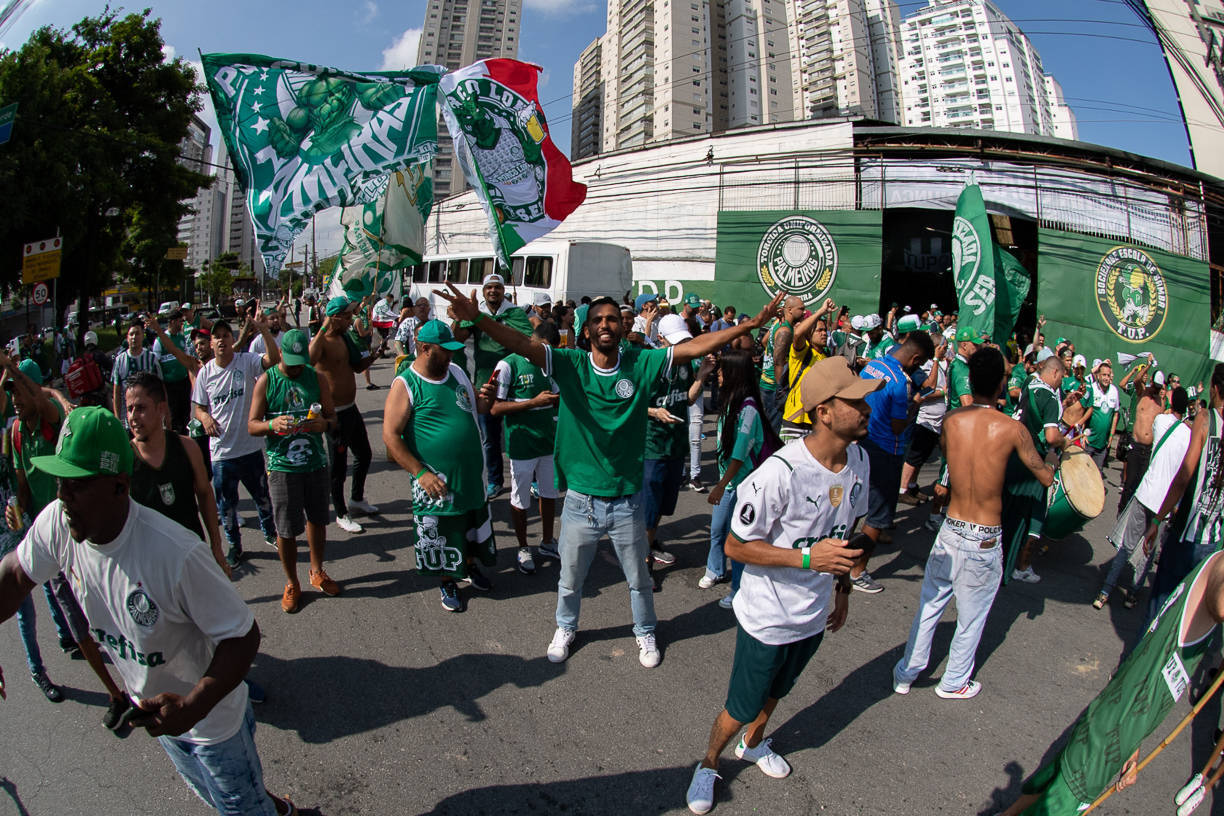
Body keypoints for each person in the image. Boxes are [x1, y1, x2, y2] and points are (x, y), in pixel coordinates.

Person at [436, 282, 783, 668]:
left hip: (626, 501)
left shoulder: (641, 362)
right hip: (581, 502)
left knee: (638, 579)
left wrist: (751, 324)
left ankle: (645, 631)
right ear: (586, 331)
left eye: (613, 319)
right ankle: (565, 627)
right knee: (569, 580)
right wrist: (479, 319)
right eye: (598, 319)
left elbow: (694, 348)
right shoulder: (571, 365)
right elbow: (521, 344)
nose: (605, 324)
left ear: (622, 326)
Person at [0, 406, 295, 816]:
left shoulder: (176, 554)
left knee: (240, 808)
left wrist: (193, 706)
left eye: (77, 484)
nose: (62, 496)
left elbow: (244, 636)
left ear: (120, 485)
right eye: (59, 481)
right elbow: (13, 578)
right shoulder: (59, 524)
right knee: (220, 799)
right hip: (160, 717)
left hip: (212, 725)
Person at [685, 356, 874, 815]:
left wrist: (843, 589)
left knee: (778, 692)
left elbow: (849, 534)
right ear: (823, 411)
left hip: (811, 615)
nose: (867, 408)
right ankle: (708, 762)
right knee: (740, 704)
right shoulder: (779, 472)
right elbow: (735, 546)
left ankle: (754, 742)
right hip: (768, 617)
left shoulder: (861, 459)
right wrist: (808, 557)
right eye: (855, 401)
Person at [999, 548, 1224, 816]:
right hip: (1107, 735)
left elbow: (1146, 670)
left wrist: (1133, 746)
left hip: (1119, 721)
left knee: (1055, 784)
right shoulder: (1220, 567)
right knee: (1062, 800)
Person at [893, 348, 1054, 700]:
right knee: (972, 617)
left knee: (930, 605)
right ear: (1000, 384)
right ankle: (952, 682)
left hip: (951, 527)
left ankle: (906, 672)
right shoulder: (1013, 428)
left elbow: (952, 457)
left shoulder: (951, 420)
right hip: (983, 535)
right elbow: (1043, 477)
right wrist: (1053, 463)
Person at [1, 352, 130, 726]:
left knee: (110, 611)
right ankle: (115, 694)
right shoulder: (14, 432)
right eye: (10, 393)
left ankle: (139, 678)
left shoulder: (53, 421)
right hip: (49, 539)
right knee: (77, 624)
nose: (15, 399)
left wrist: (15, 369)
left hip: (84, 532)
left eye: (19, 390)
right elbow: (23, 484)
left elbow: (45, 399)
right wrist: (19, 514)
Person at [382, 319, 497, 613]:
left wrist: (487, 399)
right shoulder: (406, 383)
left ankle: (469, 567)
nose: (449, 356)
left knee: (469, 524)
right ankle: (447, 580)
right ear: (424, 348)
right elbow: (391, 437)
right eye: (443, 351)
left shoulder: (456, 371)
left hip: (471, 475)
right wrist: (420, 473)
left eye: (452, 350)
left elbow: (478, 407)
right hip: (436, 481)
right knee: (444, 530)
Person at [249, 329, 340, 614]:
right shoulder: (267, 381)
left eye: (301, 361)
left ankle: (317, 571)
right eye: (292, 362)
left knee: (318, 520)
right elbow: (252, 425)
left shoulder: (317, 378)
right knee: (286, 529)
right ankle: (291, 582)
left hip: (314, 462)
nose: (298, 367)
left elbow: (332, 417)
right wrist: (271, 426)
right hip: (282, 466)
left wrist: (323, 425)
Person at [192, 317, 281, 568]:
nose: (222, 340)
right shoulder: (205, 373)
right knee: (226, 507)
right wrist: (205, 416)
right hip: (221, 454)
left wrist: (263, 330)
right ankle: (235, 546)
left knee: (262, 498)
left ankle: (270, 533)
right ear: (211, 343)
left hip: (250, 448)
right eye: (217, 336)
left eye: (226, 335)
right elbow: (197, 407)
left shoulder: (246, 362)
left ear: (233, 340)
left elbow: (273, 360)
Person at [852, 330, 935, 593]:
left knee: (852, 506)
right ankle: (858, 571)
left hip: (862, 443)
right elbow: (899, 426)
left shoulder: (874, 364)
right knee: (878, 515)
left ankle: (836, 561)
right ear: (916, 358)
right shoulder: (901, 383)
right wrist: (916, 404)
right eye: (920, 364)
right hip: (887, 450)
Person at [126, 372, 230, 579]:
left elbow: (205, 494)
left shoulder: (187, 447)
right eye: (129, 409)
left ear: (161, 408)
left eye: (141, 408)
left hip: (193, 558)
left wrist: (216, 549)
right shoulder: (125, 461)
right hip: (152, 571)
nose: (133, 417)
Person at [1094, 386, 1189, 611]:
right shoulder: (1189, 435)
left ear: (1171, 403)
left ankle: (1105, 591)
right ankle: (1132, 594)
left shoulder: (1161, 422)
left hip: (1145, 493)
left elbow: (1158, 419)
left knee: (1127, 545)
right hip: (1164, 503)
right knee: (1148, 551)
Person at [1143, 363, 1224, 618]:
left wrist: (1157, 519)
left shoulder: (1206, 419)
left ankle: (1142, 656)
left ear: (1215, 388)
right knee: (1187, 616)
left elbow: (1184, 477)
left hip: (1186, 535)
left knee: (1160, 609)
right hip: (1213, 540)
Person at [701, 349, 779, 605]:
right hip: (728, 483)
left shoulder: (748, 409)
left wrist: (720, 486)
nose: (719, 375)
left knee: (738, 539)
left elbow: (739, 455)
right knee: (717, 530)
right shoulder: (730, 401)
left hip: (742, 486)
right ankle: (715, 569)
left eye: (723, 370)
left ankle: (738, 591)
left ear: (735, 373)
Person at [452, 273, 534, 500]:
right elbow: (457, 338)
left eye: (497, 287)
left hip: (516, 384)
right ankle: (495, 481)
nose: (493, 291)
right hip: (485, 384)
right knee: (490, 438)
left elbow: (528, 341)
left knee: (522, 433)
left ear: (503, 290)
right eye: (489, 287)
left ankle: (532, 480)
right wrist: (459, 318)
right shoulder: (475, 313)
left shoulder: (515, 313)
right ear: (483, 291)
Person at [644, 314, 716, 571]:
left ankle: (649, 545)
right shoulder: (649, 362)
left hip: (675, 445)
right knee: (649, 509)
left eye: (684, 340)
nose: (681, 346)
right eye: (675, 341)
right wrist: (654, 412)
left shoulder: (685, 363)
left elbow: (686, 398)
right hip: (652, 446)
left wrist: (702, 375)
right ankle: (643, 566)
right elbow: (632, 402)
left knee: (663, 504)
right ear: (660, 339)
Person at [490, 322, 560, 575]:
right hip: (522, 444)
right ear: (533, 340)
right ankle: (522, 547)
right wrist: (533, 402)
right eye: (543, 348)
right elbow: (495, 408)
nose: (545, 355)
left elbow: (555, 399)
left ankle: (548, 541)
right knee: (521, 498)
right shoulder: (508, 364)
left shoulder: (549, 362)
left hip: (548, 441)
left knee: (550, 493)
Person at [309, 296, 379, 534]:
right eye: (347, 316)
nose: (351, 320)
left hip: (351, 408)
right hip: (334, 415)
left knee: (364, 454)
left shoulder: (344, 337)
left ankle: (356, 499)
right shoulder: (322, 341)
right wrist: (323, 326)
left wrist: (373, 356)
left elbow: (358, 367)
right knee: (337, 468)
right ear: (334, 317)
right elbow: (309, 359)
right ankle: (340, 513)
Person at [1004, 355, 1076, 584]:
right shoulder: (1051, 398)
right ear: (1055, 373)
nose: (1061, 383)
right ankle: (1019, 567)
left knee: (1005, 510)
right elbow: (1051, 436)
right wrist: (1065, 443)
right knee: (1034, 516)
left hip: (1012, 454)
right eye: (1062, 377)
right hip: (1033, 460)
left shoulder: (1029, 384)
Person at [899, 331, 948, 505]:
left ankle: (912, 485)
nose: (947, 350)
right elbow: (926, 390)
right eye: (944, 347)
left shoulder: (940, 364)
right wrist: (944, 391)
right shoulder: (926, 365)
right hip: (924, 419)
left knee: (922, 457)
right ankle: (903, 489)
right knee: (914, 456)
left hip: (935, 421)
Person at [778, 299, 835, 442]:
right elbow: (797, 334)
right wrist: (821, 311)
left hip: (815, 424)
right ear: (810, 334)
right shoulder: (802, 353)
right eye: (819, 330)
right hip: (794, 423)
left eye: (825, 330)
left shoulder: (826, 356)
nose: (824, 334)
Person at [112, 320, 162, 427]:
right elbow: (116, 391)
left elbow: (160, 387)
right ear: (127, 338)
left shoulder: (151, 358)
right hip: (128, 418)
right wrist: (117, 418)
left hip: (149, 415)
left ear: (143, 336)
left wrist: (163, 413)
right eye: (131, 334)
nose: (134, 337)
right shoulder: (119, 361)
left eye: (137, 333)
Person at [153, 310, 194, 433]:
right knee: (173, 415)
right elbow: (156, 363)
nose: (181, 324)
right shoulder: (160, 341)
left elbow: (187, 358)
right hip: (170, 385)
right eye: (179, 321)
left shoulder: (181, 338)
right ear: (172, 322)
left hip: (183, 382)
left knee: (185, 413)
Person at [1084, 359, 1121, 470]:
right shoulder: (1092, 389)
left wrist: (1111, 435)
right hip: (1089, 441)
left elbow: (1115, 415)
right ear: (1098, 376)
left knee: (1096, 473)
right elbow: (1084, 412)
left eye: (1108, 375)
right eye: (1104, 375)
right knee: (1083, 472)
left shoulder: (1114, 391)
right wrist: (1083, 433)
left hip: (1102, 445)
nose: (1106, 378)